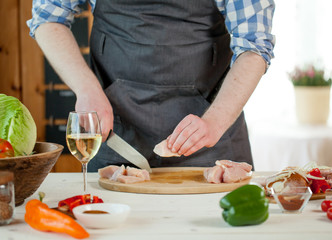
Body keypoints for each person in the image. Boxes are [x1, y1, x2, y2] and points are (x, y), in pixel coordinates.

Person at [27, 0, 275, 171]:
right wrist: (86, 88)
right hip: (116, 136)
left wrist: (215, 121)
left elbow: (254, 47)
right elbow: (48, 18)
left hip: (212, 137)